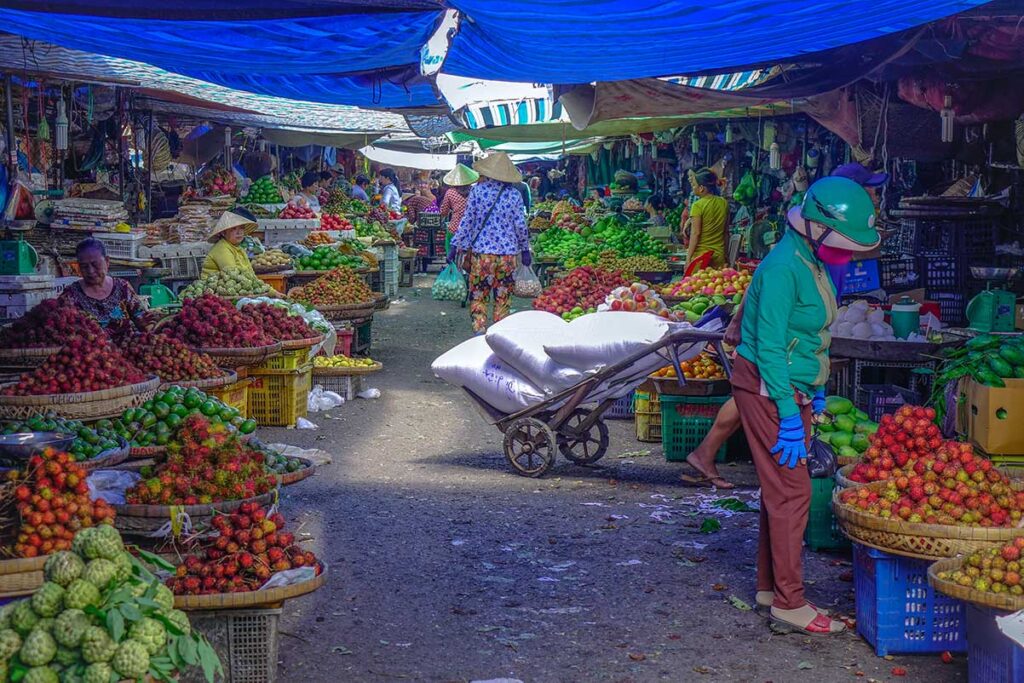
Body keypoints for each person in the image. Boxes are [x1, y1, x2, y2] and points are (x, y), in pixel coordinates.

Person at [682, 167, 888, 490]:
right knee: (787, 485)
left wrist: (818, 386)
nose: (875, 198)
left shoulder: (839, 242)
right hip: (780, 361)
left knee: (779, 472)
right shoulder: (800, 251)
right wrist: (738, 320)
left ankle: (706, 453)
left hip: (799, 356)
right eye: (870, 191)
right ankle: (706, 452)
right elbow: (767, 284)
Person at [734, 176, 879, 635]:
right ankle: (789, 603)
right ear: (815, 228)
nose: (849, 255)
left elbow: (809, 336)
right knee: (793, 492)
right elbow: (772, 348)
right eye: (843, 244)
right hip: (766, 387)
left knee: (779, 490)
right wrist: (787, 412)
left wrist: (814, 389)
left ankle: (768, 588)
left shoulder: (810, 259)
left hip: (790, 389)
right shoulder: (782, 268)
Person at [447, 152, 530, 333]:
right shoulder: (514, 195)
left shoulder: (477, 191)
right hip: (507, 257)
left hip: (482, 256)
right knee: (503, 296)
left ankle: (479, 330)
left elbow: (467, 221)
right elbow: (520, 226)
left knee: (478, 294)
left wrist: (455, 246)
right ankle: (499, 333)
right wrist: (525, 250)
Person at [59, 238, 147, 328]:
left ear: (107, 261)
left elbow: (142, 319)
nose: (91, 271)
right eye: (84, 266)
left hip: (128, 341)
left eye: (95, 264)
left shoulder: (123, 287)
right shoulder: (70, 295)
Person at [686, 168, 729, 269]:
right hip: (719, 256)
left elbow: (695, 233)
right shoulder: (724, 203)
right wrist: (726, 255)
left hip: (701, 258)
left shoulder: (697, 205)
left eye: (694, 185)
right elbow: (726, 232)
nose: (693, 188)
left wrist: (688, 258)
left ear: (701, 188)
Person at [202, 208, 258, 278]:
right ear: (223, 232)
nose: (239, 232)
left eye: (241, 228)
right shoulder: (222, 249)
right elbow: (233, 276)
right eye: (233, 229)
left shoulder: (238, 248)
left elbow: (251, 273)